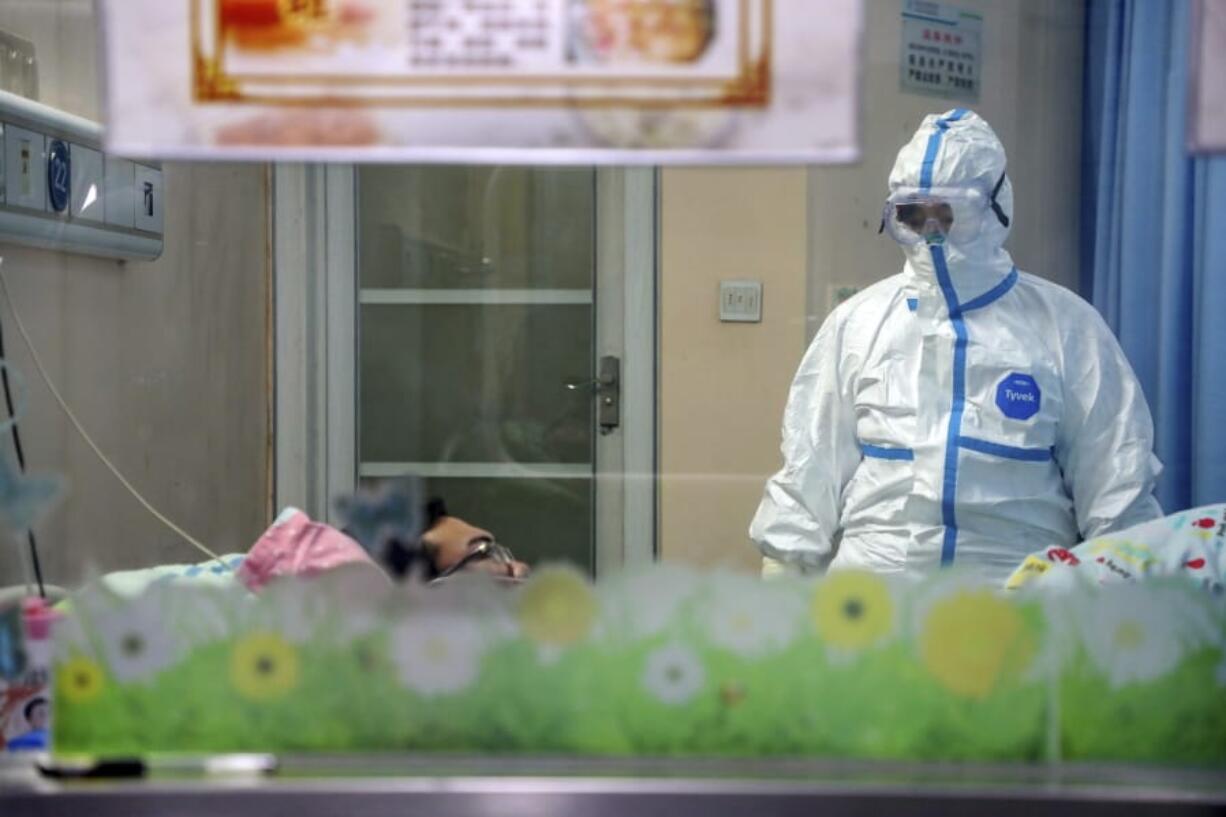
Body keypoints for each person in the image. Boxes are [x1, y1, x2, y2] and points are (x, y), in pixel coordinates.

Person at [750, 109, 1162, 585]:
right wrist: (782, 574)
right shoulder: (858, 325)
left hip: (1020, 610)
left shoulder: (1066, 327)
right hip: (872, 612)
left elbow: (1117, 484)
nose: (932, 231)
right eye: (913, 214)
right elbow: (810, 469)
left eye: (947, 213)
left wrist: (1131, 602)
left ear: (994, 207)